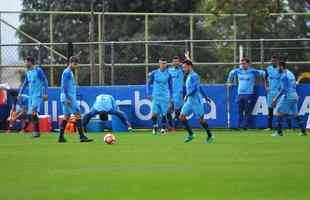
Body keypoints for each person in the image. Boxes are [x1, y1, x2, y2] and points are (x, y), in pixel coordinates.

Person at [58, 56, 93, 143]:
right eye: (75, 64)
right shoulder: (67, 72)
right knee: (78, 114)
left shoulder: (69, 72)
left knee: (67, 116)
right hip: (68, 97)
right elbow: (64, 86)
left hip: (66, 96)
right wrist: (68, 98)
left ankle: (61, 137)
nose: (76, 66)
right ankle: (82, 137)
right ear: (71, 63)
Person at [179, 60, 214, 143]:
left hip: (196, 101)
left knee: (201, 120)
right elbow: (199, 87)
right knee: (181, 117)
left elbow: (195, 88)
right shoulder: (189, 76)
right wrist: (206, 97)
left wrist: (187, 95)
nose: (183, 69)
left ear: (189, 66)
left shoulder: (194, 76)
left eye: (184, 67)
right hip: (189, 101)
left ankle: (210, 136)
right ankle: (191, 134)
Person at [227, 57, 265, 129]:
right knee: (239, 111)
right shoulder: (238, 71)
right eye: (241, 64)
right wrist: (229, 82)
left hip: (249, 94)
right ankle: (239, 126)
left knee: (247, 111)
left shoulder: (253, 71)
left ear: (248, 64)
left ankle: (245, 126)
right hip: (240, 94)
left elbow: (263, 73)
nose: (242, 65)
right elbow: (231, 73)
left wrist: (266, 84)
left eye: (244, 64)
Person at [272, 60, 307, 136]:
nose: (277, 68)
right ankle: (303, 131)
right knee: (296, 114)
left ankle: (279, 132)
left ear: (281, 67)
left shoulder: (284, 75)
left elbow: (284, 89)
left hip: (288, 96)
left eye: (278, 67)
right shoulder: (290, 73)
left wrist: (275, 98)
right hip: (295, 95)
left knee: (278, 113)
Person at [19, 56, 48, 138]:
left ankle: (36, 133)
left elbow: (45, 80)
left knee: (34, 112)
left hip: (38, 95)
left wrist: (45, 93)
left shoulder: (38, 70)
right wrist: (20, 93)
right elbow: (25, 83)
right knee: (32, 114)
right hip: (31, 96)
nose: (25, 63)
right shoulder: (28, 72)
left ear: (30, 62)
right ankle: (37, 132)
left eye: (26, 62)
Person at [265, 55, 292, 130]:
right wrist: (266, 86)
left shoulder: (280, 69)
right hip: (270, 92)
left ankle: (288, 126)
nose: (273, 62)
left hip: (279, 92)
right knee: (270, 109)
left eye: (275, 61)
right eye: (272, 61)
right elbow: (265, 79)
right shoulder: (268, 69)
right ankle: (269, 127)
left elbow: (285, 79)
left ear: (277, 61)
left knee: (283, 109)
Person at [147, 58, 173, 135]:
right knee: (154, 114)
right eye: (162, 63)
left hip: (165, 96)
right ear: (159, 64)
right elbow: (148, 83)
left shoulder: (168, 74)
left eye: (165, 63)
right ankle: (155, 126)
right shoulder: (154, 73)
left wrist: (170, 96)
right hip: (156, 96)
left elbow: (171, 86)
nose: (163, 65)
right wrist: (148, 93)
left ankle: (163, 129)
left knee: (164, 114)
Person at [167, 56, 184, 130]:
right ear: (172, 62)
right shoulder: (169, 70)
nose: (176, 63)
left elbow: (189, 65)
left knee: (177, 111)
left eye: (177, 61)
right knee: (168, 110)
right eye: (174, 61)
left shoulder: (182, 70)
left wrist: (187, 58)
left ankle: (176, 126)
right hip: (170, 94)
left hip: (179, 94)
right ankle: (170, 126)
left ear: (179, 62)